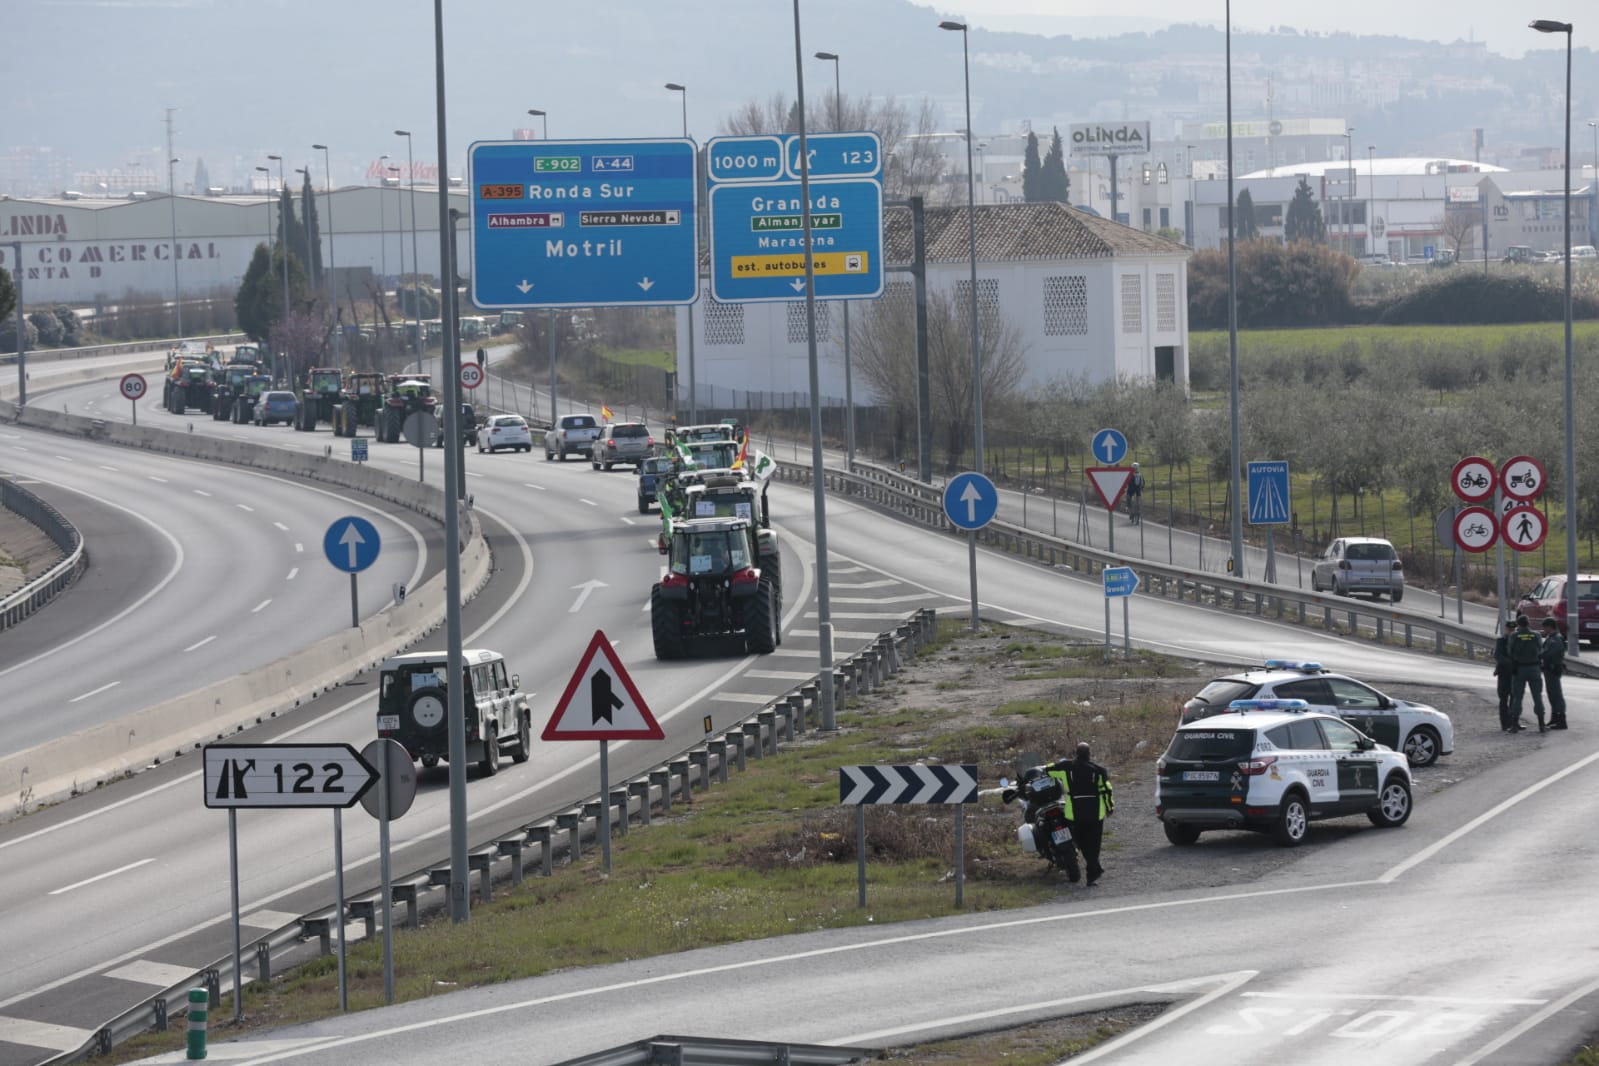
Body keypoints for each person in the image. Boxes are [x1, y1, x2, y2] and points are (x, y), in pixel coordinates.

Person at [1056, 742, 1114, 886]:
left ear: (1076, 753)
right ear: (1089, 754)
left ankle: (1094, 869)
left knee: (1081, 842)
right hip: (1095, 813)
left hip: (1075, 813)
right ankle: (1093, 873)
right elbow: (1106, 790)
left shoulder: (1066, 767)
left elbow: (1049, 770)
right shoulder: (1099, 770)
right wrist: (1109, 807)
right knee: (1094, 844)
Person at [1507, 613, 1546, 733]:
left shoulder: (1514, 635)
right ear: (1528, 623)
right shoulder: (1536, 635)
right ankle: (1541, 724)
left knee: (1517, 697)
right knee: (1537, 696)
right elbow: (1541, 649)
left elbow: (1509, 651)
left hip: (1519, 669)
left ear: (1518, 624)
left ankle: (1514, 725)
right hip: (1534, 668)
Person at [1540, 618, 1568, 730]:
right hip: (1548, 669)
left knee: (1556, 694)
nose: (1543, 630)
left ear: (1549, 627)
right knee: (1552, 694)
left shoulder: (1556, 639)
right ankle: (1555, 717)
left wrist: (1540, 655)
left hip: (1553, 669)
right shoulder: (1551, 638)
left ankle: (1561, 720)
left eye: (1544, 627)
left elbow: (1552, 653)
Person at [1493, 619, 1516, 732]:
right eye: (1509, 630)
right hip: (1503, 673)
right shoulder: (1501, 641)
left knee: (1514, 698)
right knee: (1503, 699)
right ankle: (1504, 723)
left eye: (1513, 630)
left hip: (1514, 674)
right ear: (1506, 629)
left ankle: (1513, 722)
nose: (1511, 632)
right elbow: (1498, 655)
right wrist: (1509, 664)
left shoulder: (1517, 640)